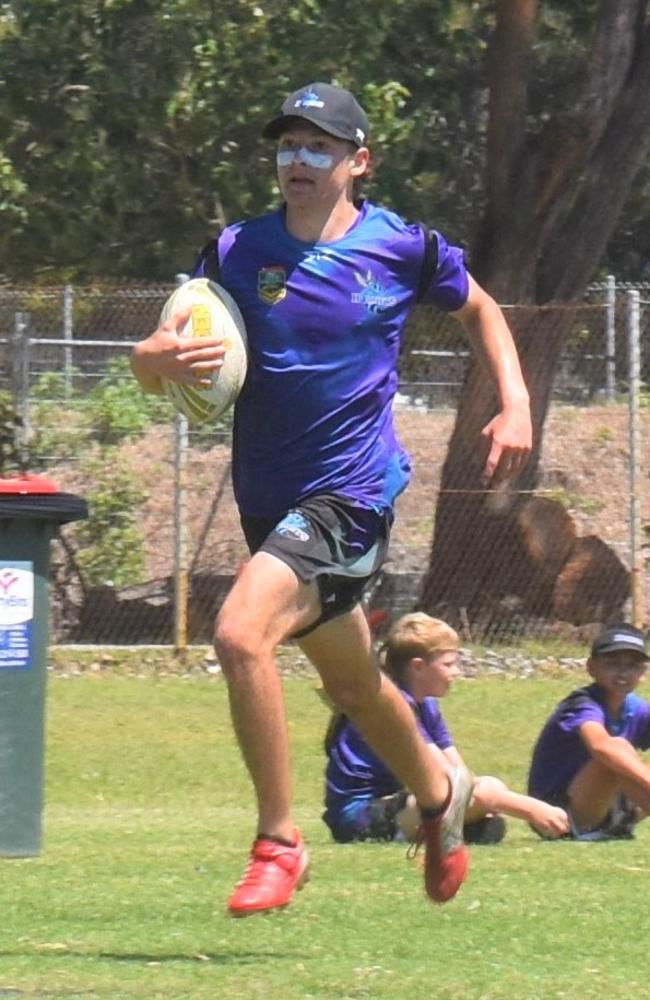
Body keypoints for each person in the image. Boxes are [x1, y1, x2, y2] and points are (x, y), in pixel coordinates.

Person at [130, 81, 532, 916]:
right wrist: (153, 363)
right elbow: (163, 345)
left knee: (242, 635)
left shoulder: (403, 247)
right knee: (353, 685)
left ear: (358, 162)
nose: (298, 160)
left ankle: (279, 842)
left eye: (319, 146)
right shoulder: (236, 251)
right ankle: (440, 789)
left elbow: (482, 309)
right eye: (287, 145)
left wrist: (516, 402)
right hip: (268, 503)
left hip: (350, 497)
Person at [323, 613, 569, 844]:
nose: (456, 672)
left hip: (404, 801)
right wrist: (532, 809)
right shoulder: (396, 707)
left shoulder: (426, 704)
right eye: (449, 664)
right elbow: (447, 781)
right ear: (418, 666)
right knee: (477, 798)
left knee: (490, 791)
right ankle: (443, 830)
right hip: (359, 816)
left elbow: (459, 773)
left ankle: (446, 829)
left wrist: (487, 798)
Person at [527, 623, 650, 840]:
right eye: (612, 663)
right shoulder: (582, 704)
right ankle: (597, 828)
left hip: (607, 807)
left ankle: (612, 825)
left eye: (632, 665)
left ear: (643, 672)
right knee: (614, 751)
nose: (623, 672)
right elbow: (600, 746)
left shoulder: (635, 707)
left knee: (618, 754)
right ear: (591, 667)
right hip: (559, 814)